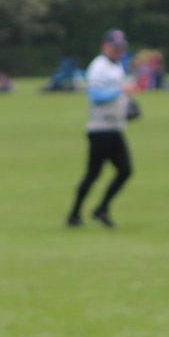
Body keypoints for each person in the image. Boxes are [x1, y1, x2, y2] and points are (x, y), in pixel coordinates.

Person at [65, 29, 136, 228]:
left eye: (121, 47)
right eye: (115, 47)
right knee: (93, 174)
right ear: (105, 45)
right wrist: (120, 90)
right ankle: (74, 214)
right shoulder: (98, 67)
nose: (118, 51)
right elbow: (95, 96)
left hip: (115, 127)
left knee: (125, 171)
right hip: (100, 129)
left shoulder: (117, 67)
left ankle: (101, 209)